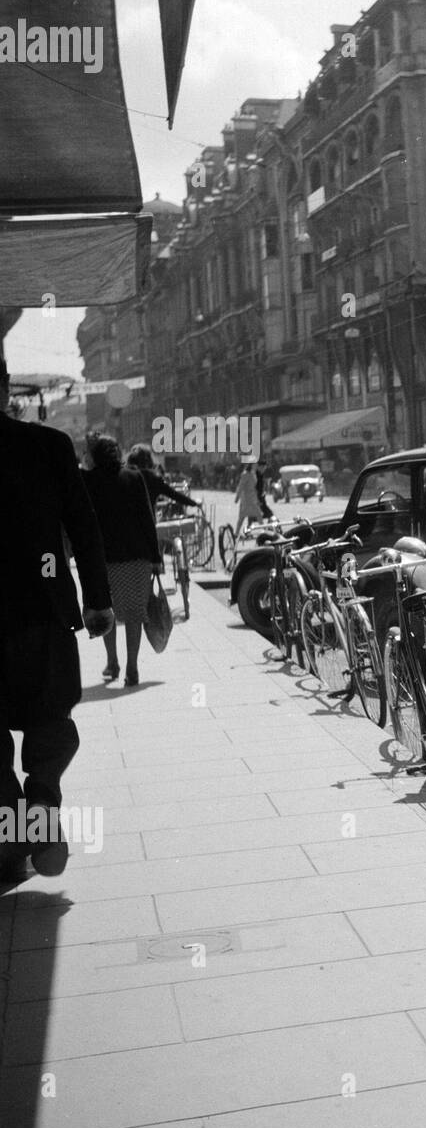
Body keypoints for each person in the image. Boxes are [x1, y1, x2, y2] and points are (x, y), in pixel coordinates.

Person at [0, 360, 114, 881]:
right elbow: (83, 525)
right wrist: (98, 601)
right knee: (50, 721)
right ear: (6, 389)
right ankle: (42, 805)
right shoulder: (48, 446)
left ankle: (12, 838)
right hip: (43, 613)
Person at [82, 435, 164, 689]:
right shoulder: (133, 477)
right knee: (134, 614)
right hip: (135, 558)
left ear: (94, 456)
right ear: (117, 454)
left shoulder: (88, 481)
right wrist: (155, 557)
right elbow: (147, 519)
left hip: (102, 560)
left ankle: (112, 662)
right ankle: (132, 667)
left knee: (105, 609)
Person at [127, 443, 200, 514]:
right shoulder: (154, 479)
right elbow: (175, 495)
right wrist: (194, 503)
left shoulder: (125, 477)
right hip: (147, 520)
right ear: (148, 461)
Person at [233, 461, 262, 536]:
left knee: (257, 515)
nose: (257, 465)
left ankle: (262, 531)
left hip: (252, 497)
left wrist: (257, 499)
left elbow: (254, 487)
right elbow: (241, 486)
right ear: (252, 464)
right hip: (246, 498)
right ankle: (236, 533)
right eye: (255, 464)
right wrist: (237, 498)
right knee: (243, 517)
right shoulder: (245, 474)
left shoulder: (253, 473)